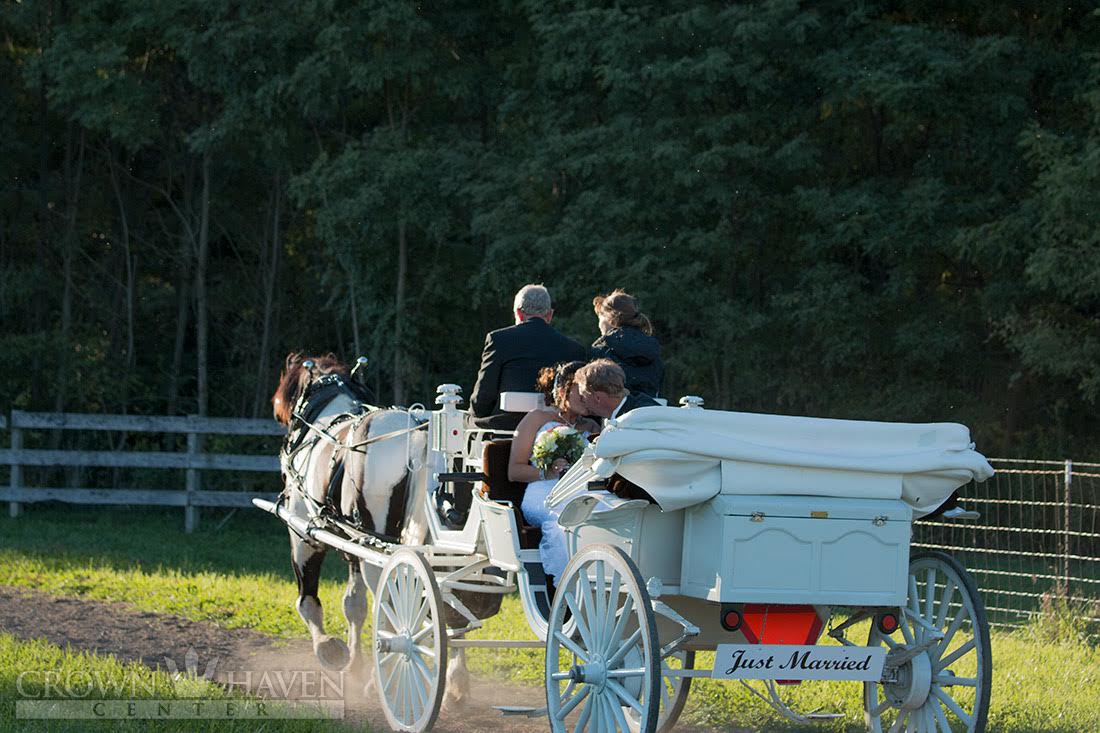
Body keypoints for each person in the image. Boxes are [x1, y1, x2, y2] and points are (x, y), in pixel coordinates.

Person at [508, 361, 598, 582]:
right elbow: (514, 471)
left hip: (578, 492)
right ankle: (565, 586)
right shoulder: (537, 418)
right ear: (562, 390)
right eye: (582, 393)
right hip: (543, 493)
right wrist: (546, 473)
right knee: (562, 520)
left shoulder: (593, 428)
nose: (588, 399)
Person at [469, 284, 586, 430]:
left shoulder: (499, 340)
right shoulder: (574, 349)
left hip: (506, 431)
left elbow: (483, 398)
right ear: (549, 315)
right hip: (555, 429)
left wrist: (474, 414)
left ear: (519, 313)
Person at [590, 289, 663, 397]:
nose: (599, 325)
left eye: (600, 318)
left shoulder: (602, 348)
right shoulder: (653, 348)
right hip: (649, 411)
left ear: (608, 319)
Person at [576, 358, 660, 421]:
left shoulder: (638, 417)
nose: (582, 400)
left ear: (598, 398)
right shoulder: (633, 407)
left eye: (583, 396)